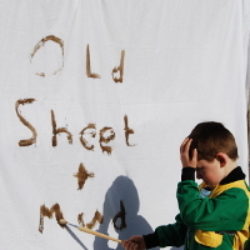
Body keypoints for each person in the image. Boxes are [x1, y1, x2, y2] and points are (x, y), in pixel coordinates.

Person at [122, 121, 250, 250]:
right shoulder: (206, 190)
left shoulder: (238, 198)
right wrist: (149, 241)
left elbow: (193, 215)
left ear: (221, 160)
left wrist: (188, 173)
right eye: (194, 171)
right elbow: (184, 227)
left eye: (199, 169)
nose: (198, 176)